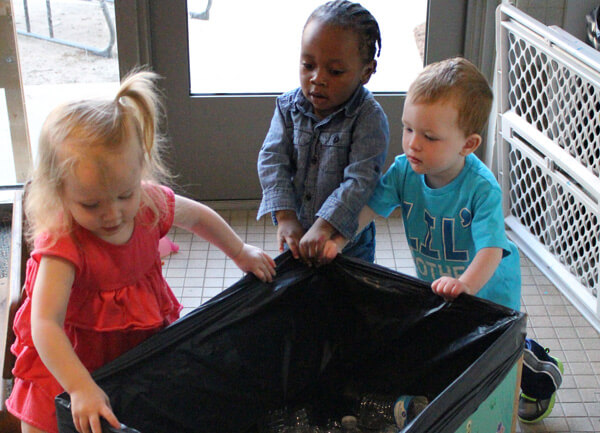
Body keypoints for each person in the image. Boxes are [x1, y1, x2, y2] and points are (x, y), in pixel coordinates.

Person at [6, 70, 276, 433]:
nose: (113, 214)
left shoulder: (148, 204)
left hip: (136, 349)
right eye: (91, 204)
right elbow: (45, 324)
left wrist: (240, 251)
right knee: (49, 422)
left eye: (124, 195)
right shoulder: (63, 242)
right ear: (59, 194)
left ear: (140, 173)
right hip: (68, 364)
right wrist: (80, 386)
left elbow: (198, 217)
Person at [318, 57, 563, 424]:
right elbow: (369, 209)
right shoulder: (405, 170)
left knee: (495, 352)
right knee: (451, 348)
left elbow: (491, 250)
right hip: (443, 285)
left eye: (429, 137)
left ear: (469, 144)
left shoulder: (481, 189)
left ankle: (541, 368)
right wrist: (337, 240)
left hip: (489, 293)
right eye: (407, 129)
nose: (413, 144)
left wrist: (465, 285)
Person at [256, 0, 389, 264]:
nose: (317, 78)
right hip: (298, 232)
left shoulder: (369, 117)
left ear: (366, 73)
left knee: (346, 302)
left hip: (348, 242)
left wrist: (326, 225)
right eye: (308, 65)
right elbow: (272, 160)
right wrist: (285, 217)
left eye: (335, 71)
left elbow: (361, 180)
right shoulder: (287, 108)